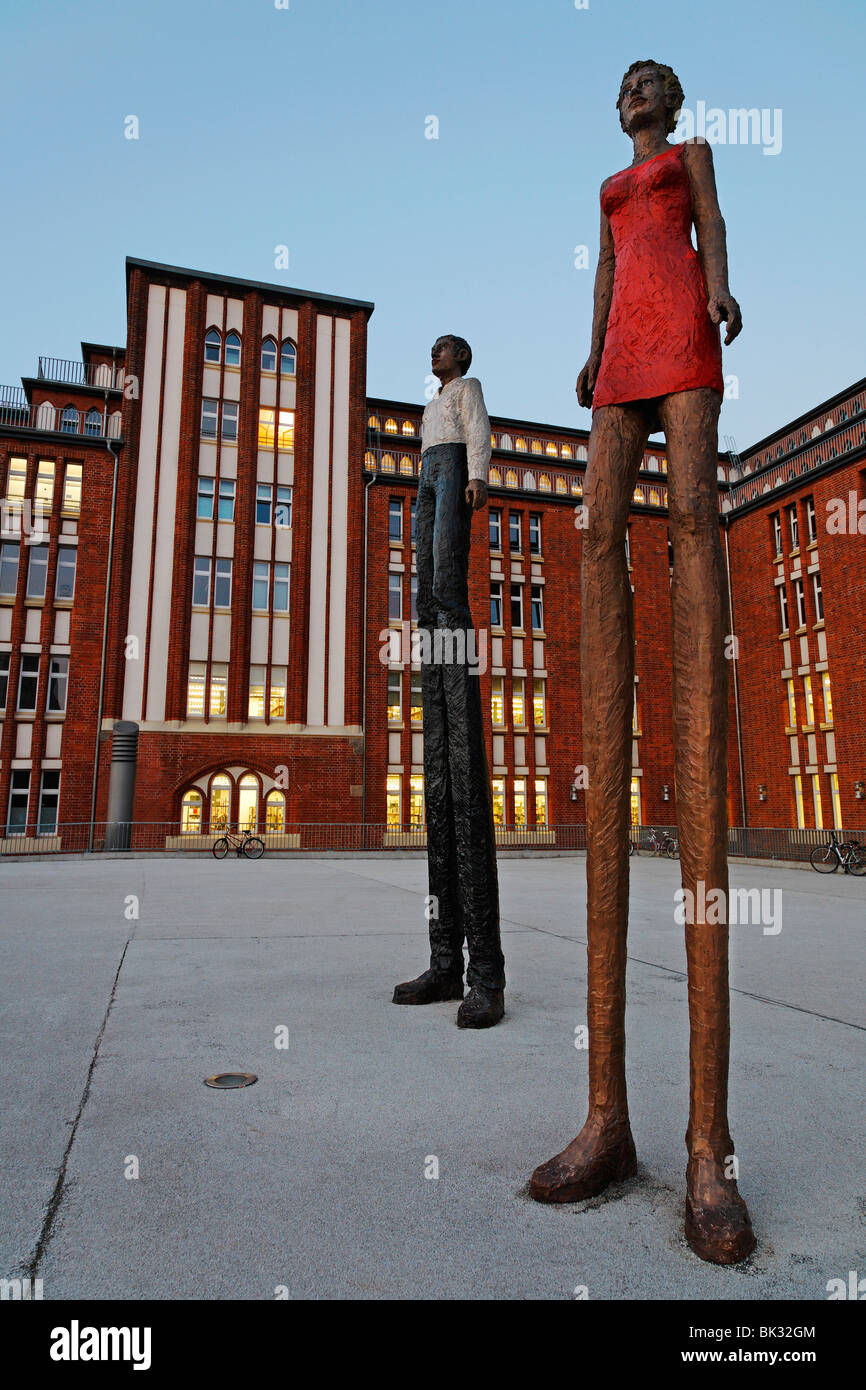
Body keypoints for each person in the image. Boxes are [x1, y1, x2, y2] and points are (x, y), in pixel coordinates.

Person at [528, 61, 756, 1264]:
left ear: (666, 102)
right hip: (620, 349)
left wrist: (720, 294)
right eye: (618, 87)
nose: (628, 98)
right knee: (594, 527)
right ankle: (605, 1116)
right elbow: (610, 269)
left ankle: (707, 1144)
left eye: (641, 85)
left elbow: (702, 226)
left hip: (684, 332)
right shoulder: (607, 187)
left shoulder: (691, 158)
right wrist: (585, 352)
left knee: (694, 521)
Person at [392, 335, 506, 1028]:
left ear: (461, 358)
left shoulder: (467, 394)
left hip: (455, 469)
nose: (434, 355)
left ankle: (484, 974)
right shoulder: (429, 404)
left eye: (444, 348)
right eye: (431, 348)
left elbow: (480, 438)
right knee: (424, 579)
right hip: (429, 473)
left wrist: (479, 479)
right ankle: (444, 963)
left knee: (445, 570)